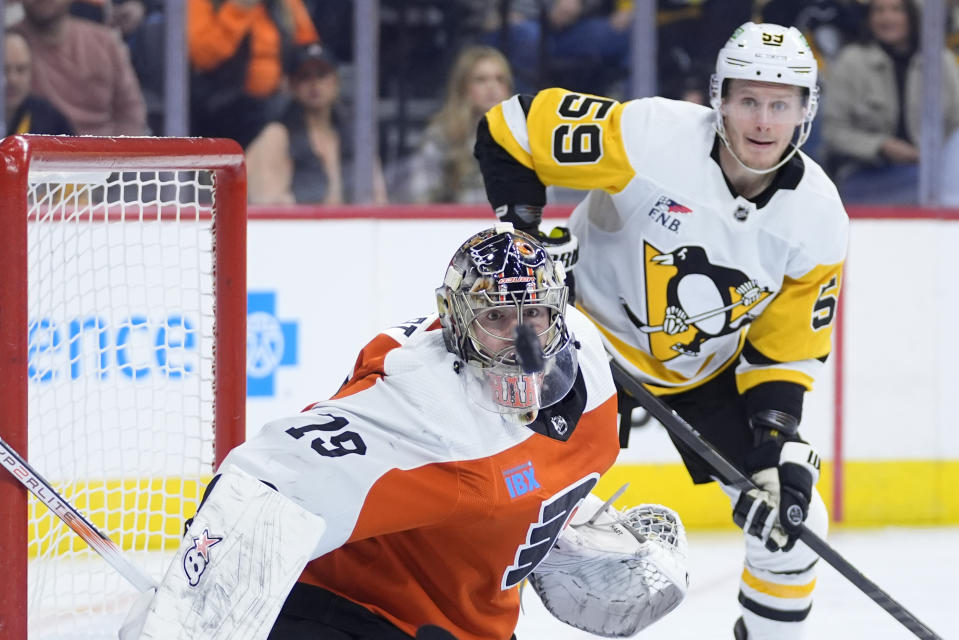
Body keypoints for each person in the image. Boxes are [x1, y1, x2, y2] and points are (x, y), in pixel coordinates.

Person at [118, 226, 689, 640]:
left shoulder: (589, 356)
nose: (523, 342)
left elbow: (532, 474)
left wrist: (555, 528)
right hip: (350, 608)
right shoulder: (427, 405)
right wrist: (190, 607)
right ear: (456, 321)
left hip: (467, 620)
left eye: (534, 315)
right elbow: (269, 474)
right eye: (495, 318)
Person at [474, 22, 847, 640]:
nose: (762, 120)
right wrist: (527, 247)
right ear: (718, 99)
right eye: (748, 99)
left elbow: (784, 347)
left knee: (795, 524)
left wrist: (774, 441)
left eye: (780, 104)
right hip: (579, 350)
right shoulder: (650, 136)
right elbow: (510, 128)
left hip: (704, 371)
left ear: (805, 113)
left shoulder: (819, 218)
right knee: (497, 500)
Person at [821, 0, 959, 204]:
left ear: (912, 15)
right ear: (869, 18)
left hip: (933, 172)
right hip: (864, 173)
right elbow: (832, 131)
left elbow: (956, 125)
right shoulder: (850, 61)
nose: (887, 18)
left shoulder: (941, 61)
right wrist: (882, 145)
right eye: (879, 10)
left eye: (897, 10)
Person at [246, 43, 387, 205]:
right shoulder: (276, 136)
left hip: (355, 227)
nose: (314, 84)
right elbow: (268, 205)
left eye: (321, 75)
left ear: (336, 82)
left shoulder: (356, 136)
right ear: (292, 85)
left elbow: (377, 199)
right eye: (305, 76)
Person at [188, 0, 320, 148]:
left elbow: (308, 50)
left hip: (277, 105)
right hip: (218, 110)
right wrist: (239, 9)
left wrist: (294, 77)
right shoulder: (202, 3)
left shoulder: (287, 4)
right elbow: (204, 56)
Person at [12, 0, 147, 136]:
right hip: (34, 151)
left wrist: (117, 153)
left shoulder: (105, 42)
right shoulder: (7, 46)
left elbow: (131, 112)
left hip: (104, 151)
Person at [403, 45, 513, 204]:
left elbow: (543, 205)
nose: (492, 87)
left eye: (499, 79)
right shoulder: (440, 137)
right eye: (481, 80)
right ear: (463, 87)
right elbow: (421, 199)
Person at [4, 30, 74, 136]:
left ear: (31, 71)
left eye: (21, 69)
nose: (13, 79)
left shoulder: (50, 118)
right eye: (4, 70)